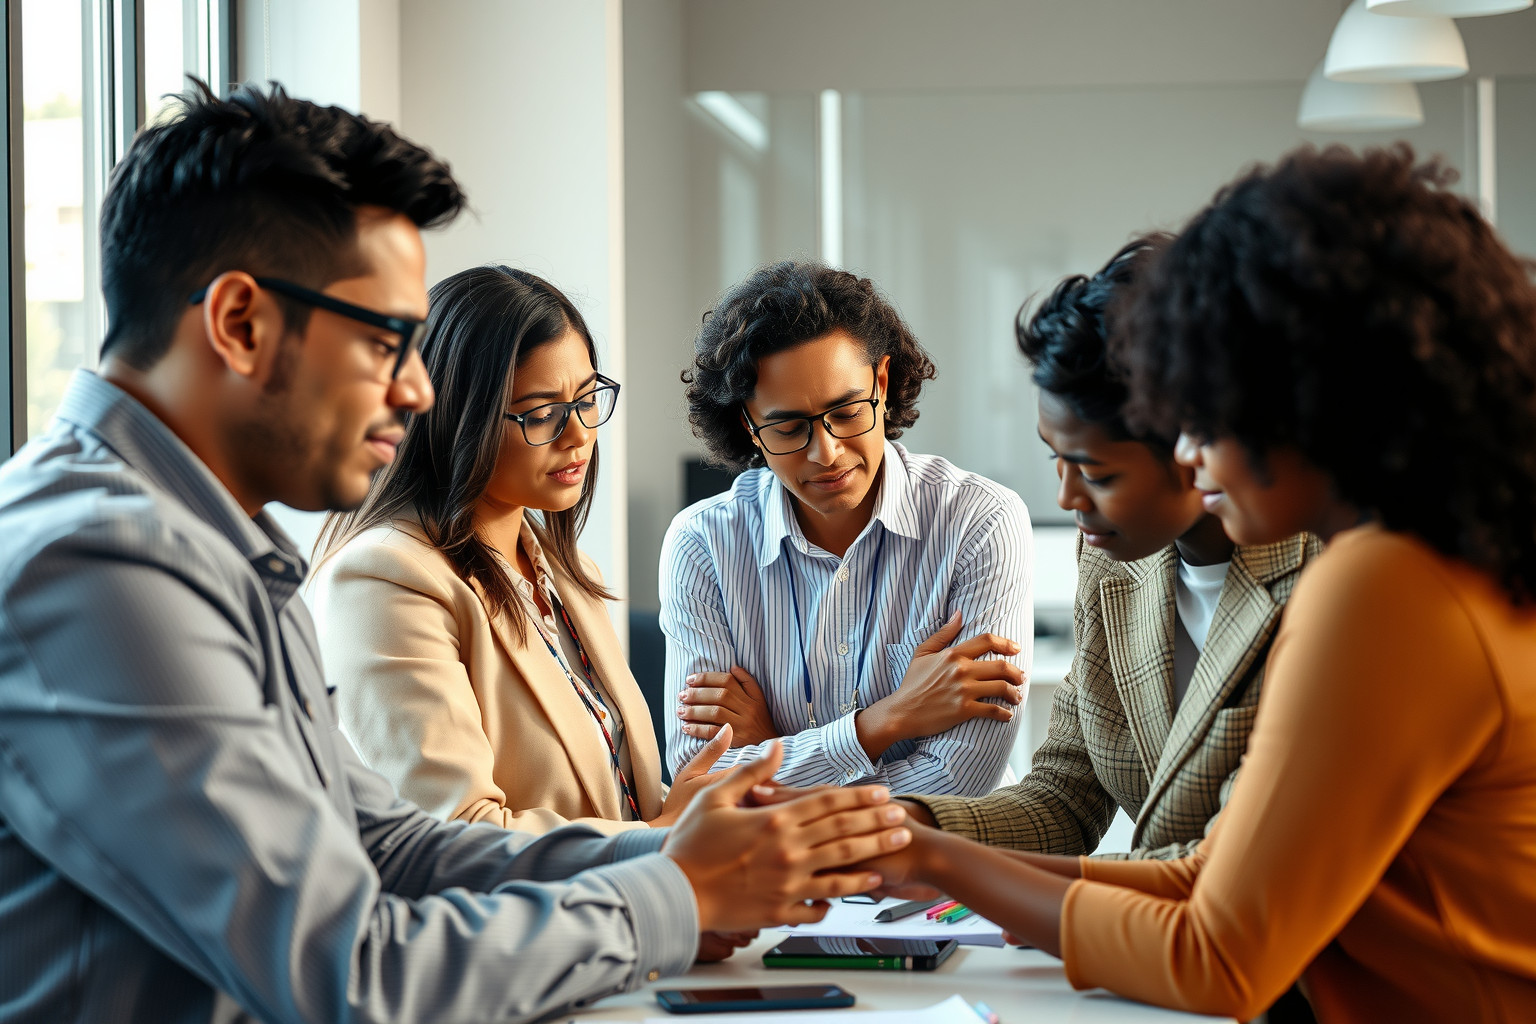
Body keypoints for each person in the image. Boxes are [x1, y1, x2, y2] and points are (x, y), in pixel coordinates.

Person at [0, 83, 914, 1024]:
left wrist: (674, 858)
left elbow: (392, 847)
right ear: (239, 323)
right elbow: (347, 971)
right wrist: (674, 898)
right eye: (388, 344)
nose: (416, 394)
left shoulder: (213, 548)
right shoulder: (98, 566)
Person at [856, 145, 1536, 1022]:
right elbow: (1206, 877)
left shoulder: (1380, 585)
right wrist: (913, 844)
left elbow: (1219, 956)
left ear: (1304, 394)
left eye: (1206, 402)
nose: (1186, 447)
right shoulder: (1447, 555)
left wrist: (931, 860)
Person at [899, 237, 1320, 859]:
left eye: (1096, 473)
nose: (1067, 498)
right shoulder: (1112, 564)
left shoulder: (1324, 575)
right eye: (1056, 458)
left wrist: (946, 863)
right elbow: (1065, 797)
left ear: (1194, 443)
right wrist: (902, 823)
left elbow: (1230, 867)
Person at [309, 266, 725, 834]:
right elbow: (456, 832)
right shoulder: (385, 580)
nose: (577, 433)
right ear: (459, 417)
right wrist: (662, 839)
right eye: (541, 413)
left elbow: (607, 796)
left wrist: (690, 809)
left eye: (586, 399)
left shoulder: (566, 574)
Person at [661, 260, 1033, 796]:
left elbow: (963, 780)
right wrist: (888, 720)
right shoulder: (703, 545)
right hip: (780, 879)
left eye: (847, 411)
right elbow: (700, 783)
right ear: (750, 425)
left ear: (880, 384)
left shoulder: (979, 522)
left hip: (939, 875)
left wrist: (773, 754)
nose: (826, 452)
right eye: (789, 426)